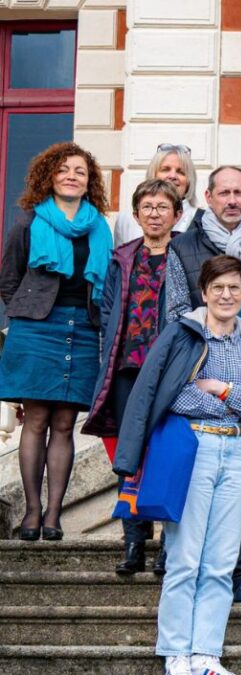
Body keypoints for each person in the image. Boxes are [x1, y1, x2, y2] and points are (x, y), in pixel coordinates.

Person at [113, 255, 241, 675]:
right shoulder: (183, 334)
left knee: (221, 563)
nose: (226, 295)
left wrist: (219, 388)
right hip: (194, 448)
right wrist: (237, 395)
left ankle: (206, 654)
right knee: (185, 558)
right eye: (217, 287)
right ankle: (175, 653)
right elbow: (174, 394)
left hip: (237, 455)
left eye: (234, 287)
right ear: (204, 292)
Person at [163, 165, 241, 608]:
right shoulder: (183, 248)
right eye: (224, 193)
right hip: (200, 368)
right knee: (192, 478)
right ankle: (183, 563)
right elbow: (175, 311)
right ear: (208, 197)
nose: (232, 200)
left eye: (240, 192)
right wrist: (212, 365)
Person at [0, 142, 113, 542]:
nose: (71, 176)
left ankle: (53, 516)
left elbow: (107, 284)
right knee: (35, 421)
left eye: (80, 171)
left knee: (65, 423)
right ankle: (32, 513)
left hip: (83, 329)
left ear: (89, 181)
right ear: (49, 176)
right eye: (63, 169)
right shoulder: (29, 223)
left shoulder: (100, 226)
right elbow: (8, 281)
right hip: (36, 331)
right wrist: (27, 313)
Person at [83, 179, 185, 575]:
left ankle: (169, 545)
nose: (155, 214)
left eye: (163, 207)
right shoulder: (122, 258)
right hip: (127, 369)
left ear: (177, 214)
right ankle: (133, 542)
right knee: (130, 456)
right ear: (136, 214)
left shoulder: (187, 255)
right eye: (147, 207)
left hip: (170, 372)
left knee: (167, 455)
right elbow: (108, 312)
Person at [113, 144, 199, 244]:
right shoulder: (126, 219)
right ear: (153, 174)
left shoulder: (202, 220)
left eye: (181, 172)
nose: (172, 176)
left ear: (189, 181)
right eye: (165, 169)